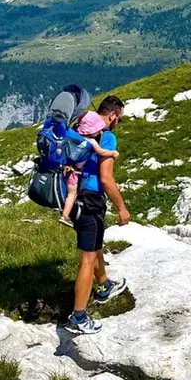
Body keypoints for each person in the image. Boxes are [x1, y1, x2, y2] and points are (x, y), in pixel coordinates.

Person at [65, 95, 132, 335]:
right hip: (91, 201)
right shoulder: (107, 136)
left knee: (93, 247)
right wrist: (122, 208)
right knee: (87, 259)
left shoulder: (78, 129)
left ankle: (104, 286)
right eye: (119, 119)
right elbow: (106, 178)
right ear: (112, 115)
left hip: (72, 198)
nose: (118, 123)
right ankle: (79, 317)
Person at [58, 111, 119, 228]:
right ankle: (64, 216)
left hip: (68, 170)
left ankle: (63, 213)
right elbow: (102, 152)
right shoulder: (91, 141)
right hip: (76, 173)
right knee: (73, 194)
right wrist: (113, 153)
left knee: (69, 194)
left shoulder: (74, 136)